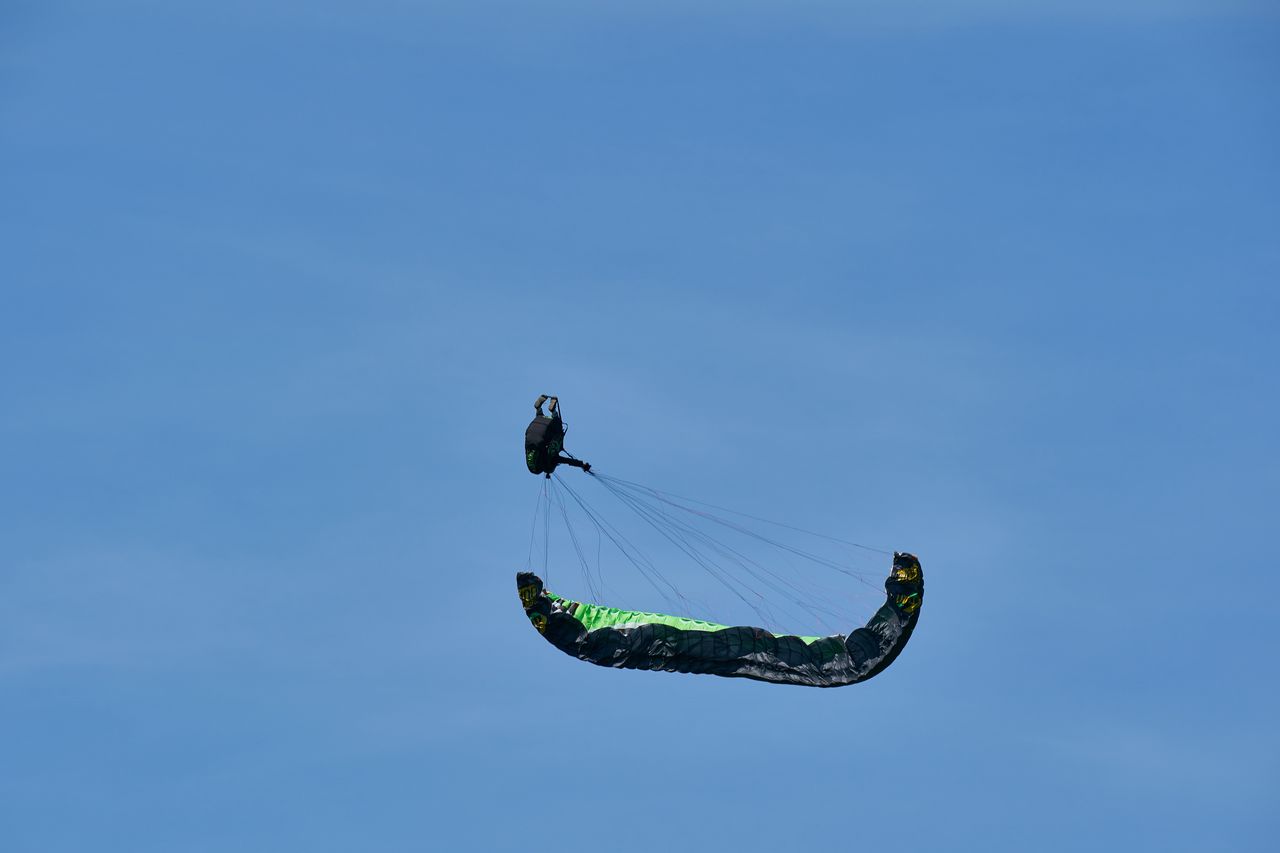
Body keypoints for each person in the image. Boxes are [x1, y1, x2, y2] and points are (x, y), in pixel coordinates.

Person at [524, 395, 590, 477]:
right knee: (541, 423)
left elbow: (568, 461)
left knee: (557, 427)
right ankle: (538, 409)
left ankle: (553, 412)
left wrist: (582, 464)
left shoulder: (552, 458)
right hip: (531, 430)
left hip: (541, 436)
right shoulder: (531, 458)